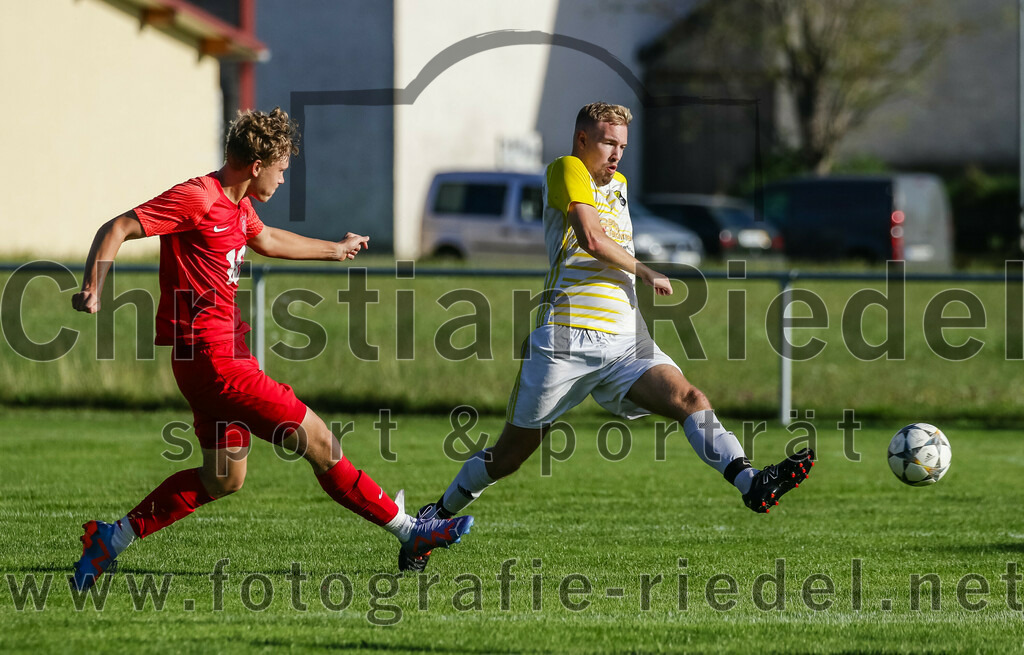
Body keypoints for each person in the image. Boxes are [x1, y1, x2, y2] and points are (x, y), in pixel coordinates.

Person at [400, 102, 814, 572]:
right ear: (581, 139)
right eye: (607, 142)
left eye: (621, 145)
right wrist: (645, 270)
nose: (616, 153)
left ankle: (751, 484)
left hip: (624, 341)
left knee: (689, 398)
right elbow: (591, 239)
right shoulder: (566, 169)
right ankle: (433, 518)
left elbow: (610, 247)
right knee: (510, 455)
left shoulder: (617, 186)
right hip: (565, 341)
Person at [71, 108, 471, 591]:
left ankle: (109, 541)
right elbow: (117, 228)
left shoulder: (238, 208)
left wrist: (336, 248)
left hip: (209, 362)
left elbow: (266, 239)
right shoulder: (198, 197)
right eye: (282, 170)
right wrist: (94, 287)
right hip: (217, 362)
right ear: (257, 164)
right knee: (322, 443)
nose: (284, 180)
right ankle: (411, 532)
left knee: (224, 478)